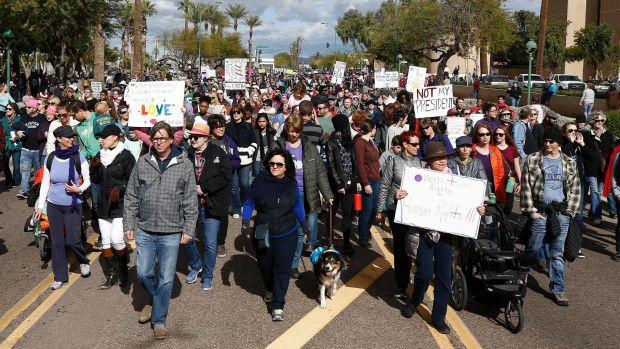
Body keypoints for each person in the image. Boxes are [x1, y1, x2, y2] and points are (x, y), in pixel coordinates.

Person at [123, 121, 199, 339]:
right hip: (145, 229)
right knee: (143, 272)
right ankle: (156, 301)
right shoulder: (143, 161)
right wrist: (129, 223)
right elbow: (131, 195)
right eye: (155, 139)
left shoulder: (183, 163)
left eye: (163, 138)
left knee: (166, 278)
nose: (158, 142)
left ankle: (159, 320)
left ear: (171, 140)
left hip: (171, 231)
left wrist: (188, 229)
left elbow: (190, 201)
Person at [401, 141, 485, 333]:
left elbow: (469, 203)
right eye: (437, 158)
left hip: (446, 236)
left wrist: (478, 209)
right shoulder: (417, 178)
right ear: (428, 161)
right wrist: (400, 195)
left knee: (444, 277)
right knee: (422, 273)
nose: (441, 160)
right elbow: (406, 202)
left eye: (444, 157)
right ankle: (415, 300)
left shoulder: (456, 178)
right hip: (423, 233)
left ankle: (438, 317)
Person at [241, 148, 309, 321]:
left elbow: (297, 206)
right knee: (265, 268)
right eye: (272, 163)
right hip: (264, 233)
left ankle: (278, 304)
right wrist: (245, 224)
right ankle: (270, 289)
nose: (275, 166)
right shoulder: (259, 182)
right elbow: (249, 203)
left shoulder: (291, 183)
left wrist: (304, 225)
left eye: (279, 164)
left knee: (282, 270)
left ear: (286, 167)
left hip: (287, 233)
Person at [520, 126, 580, 306]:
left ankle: (558, 289)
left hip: (560, 213)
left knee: (557, 253)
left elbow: (575, 189)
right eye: (545, 141)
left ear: (558, 144)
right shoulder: (533, 160)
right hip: (540, 212)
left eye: (551, 141)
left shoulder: (569, 162)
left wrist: (569, 212)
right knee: (534, 246)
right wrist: (531, 211)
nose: (547, 144)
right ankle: (523, 270)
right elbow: (525, 187)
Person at [272, 115, 333, 278]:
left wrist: (327, 194)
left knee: (300, 232)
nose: (293, 134)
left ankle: (293, 264)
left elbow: (319, 171)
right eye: (291, 131)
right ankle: (279, 260)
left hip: (304, 193)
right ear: (286, 129)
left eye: (297, 131)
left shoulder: (309, 147)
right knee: (282, 229)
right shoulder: (278, 145)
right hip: (283, 192)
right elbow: (268, 168)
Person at [35, 125, 92, 290]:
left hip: (73, 204)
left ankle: (83, 260)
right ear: (59, 139)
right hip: (54, 205)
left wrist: (79, 189)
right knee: (57, 241)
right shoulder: (50, 158)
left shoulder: (78, 156)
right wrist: (40, 206)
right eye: (67, 137)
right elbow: (46, 182)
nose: (71, 139)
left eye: (72, 136)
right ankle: (60, 276)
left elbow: (87, 179)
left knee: (73, 240)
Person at [182, 122, 232, 291]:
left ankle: (208, 275)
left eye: (196, 137)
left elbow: (226, 177)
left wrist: (205, 188)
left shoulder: (218, 153)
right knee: (185, 238)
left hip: (212, 204)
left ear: (205, 138)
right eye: (191, 137)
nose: (193, 140)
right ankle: (196, 265)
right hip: (190, 205)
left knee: (210, 244)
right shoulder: (185, 154)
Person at [377, 131, 424, 299]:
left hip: (415, 210)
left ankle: (419, 279)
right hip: (395, 209)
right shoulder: (393, 161)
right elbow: (384, 185)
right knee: (401, 247)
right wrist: (380, 208)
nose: (418, 147)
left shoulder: (420, 163)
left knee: (416, 245)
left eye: (419, 144)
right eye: (415, 144)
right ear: (405, 145)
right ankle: (401, 285)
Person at [90, 124, 135, 289]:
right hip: (103, 205)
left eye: (105, 137)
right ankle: (112, 274)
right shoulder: (99, 155)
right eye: (100, 137)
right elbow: (95, 180)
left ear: (115, 137)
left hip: (119, 205)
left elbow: (133, 180)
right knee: (106, 242)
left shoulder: (127, 157)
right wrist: (93, 168)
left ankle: (123, 271)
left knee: (117, 240)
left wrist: (120, 189)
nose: (101, 140)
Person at [326, 114, 361, 253]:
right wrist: (339, 183)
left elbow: (354, 162)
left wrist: (356, 179)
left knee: (347, 213)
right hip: (336, 183)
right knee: (332, 212)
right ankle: (330, 241)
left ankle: (346, 243)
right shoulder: (331, 142)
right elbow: (331, 164)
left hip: (350, 181)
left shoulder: (349, 139)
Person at [226, 104, 257, 219]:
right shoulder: (227, 127)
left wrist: (248, 152)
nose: (236, 114)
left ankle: (245, 203)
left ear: (242, 114)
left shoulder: (248, 126)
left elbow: (254, 142)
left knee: (245, 184)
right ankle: (236, 208)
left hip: (246, 160)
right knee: (234, 186)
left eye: (238, 112)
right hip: (233, 160)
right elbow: (226, 142)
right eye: (234, 112)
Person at [354, 119, 381, 248]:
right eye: (375, 128)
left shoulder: (370, 142)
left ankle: (367, 228)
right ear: (371, 129)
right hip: (368, 180)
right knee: (367, 209)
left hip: (376, 179)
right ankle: (363, 236)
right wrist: (365, 183)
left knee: (374, 209)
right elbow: (360, 164)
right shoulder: (360, 143)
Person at [587, 111, 616, 222]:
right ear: (592, 121)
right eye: (597, 120)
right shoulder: (587, 134)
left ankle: (592, 212)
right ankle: (597, 216)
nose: (599, 122)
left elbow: (611, 150)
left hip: (603, 168)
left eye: (601, 120)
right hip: (591, 168)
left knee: (598, 191)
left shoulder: (608, 134)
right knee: (594, 191)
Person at [472, 124, 510, 207]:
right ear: (477, 136)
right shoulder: (472, 151)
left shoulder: (495, 151)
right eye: (481, 134)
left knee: (492, 218)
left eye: (487, 134)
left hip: (493, 191)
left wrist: (501, 195)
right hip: (477, 191)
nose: (485, 136)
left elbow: (500, 174)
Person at [16, 98, 47, 199]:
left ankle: (38, 191)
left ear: (35, 108)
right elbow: (17, 129)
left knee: (38, 171)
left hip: (38, 150)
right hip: (25, 149)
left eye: (29, 107)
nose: (27, 109)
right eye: (26, 107)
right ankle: (24, 191)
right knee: (25, 170)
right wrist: (18, 133)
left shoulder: (42, 118)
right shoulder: (23, 118)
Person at [493, 125, 522, 213]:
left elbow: (517, 167)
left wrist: (521, 183)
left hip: (509, 180)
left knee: (508, 207)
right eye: (496, 134)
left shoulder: (512, 149)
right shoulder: (491, 148)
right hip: (495, 180)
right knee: (496, 205)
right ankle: (497, 225)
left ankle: (503, 224)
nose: (498, 136)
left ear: (506, 135)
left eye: (501, 134)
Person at [1, 102, 21, 187]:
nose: (7, 110)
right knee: (5, 162)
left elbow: (23, 130)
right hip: (6, 143)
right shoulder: (3, 119)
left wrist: (17, 136)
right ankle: (9, 180)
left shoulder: (19, 119)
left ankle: (16, 181)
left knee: (16, 164)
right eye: (7, 108)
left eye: (10, 109)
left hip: (16, 143)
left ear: (14, 110)